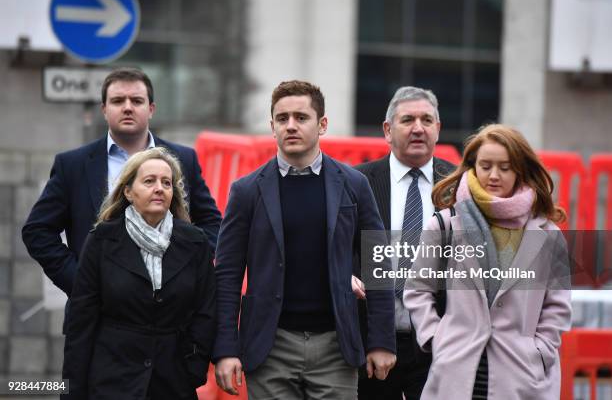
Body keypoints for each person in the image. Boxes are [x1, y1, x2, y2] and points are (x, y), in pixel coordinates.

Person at [213, 80, 397, 399]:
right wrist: (225, 349)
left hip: (336, 346)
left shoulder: (354, 185)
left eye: (301, 117)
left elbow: (378, 263)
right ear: (272, 127)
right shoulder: (246, 192)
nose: (291, 126)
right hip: (269, 346)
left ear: (322, 124)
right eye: (282, 119)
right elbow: (226, 276)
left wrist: (381, 341)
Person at [404, 124, 572, 400]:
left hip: (521, 375)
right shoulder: (445, 225)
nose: (494, 175)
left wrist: (539, 350)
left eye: (505, 167)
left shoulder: (548, 236)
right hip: (456, 371)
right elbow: (418, 289)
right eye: (485, 166)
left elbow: (557, 306)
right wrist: (436, 337)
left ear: (520, 169)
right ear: (473, 166)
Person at [22, 67, 221, 297]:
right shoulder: (72, 165)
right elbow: (37, 231)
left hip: (170, 310)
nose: (127, 107)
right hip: (97, 315)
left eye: (136, 100)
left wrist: (187, 270)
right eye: (118, 101)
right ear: (104, 110)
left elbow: (212, 223)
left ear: (151, 109)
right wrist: (80, 280)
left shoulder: (183, 159)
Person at [61, 147, 216, 400]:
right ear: (128, 192)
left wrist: (193, 367)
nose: (159, 188)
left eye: (167, 183)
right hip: (111, 379)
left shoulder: (195, 242)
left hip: (174, 381)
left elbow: (206, 310)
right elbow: (82, 319)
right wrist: (72, 390)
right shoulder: (102, 240)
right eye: (149, 181)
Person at [353, 86, 455, 399]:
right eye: (407, 119)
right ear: (387, 130)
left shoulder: (460, 185)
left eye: (427, 120)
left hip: (439, 344)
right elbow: (334, 248)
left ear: (438, 129)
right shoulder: (357, 182)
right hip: (369, 339)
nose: (418, 128)